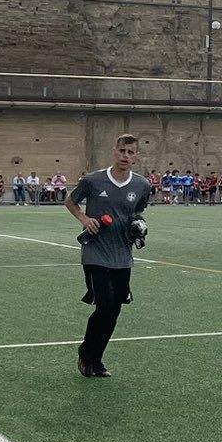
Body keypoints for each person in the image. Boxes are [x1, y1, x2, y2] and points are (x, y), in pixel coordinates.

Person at [66, 134, 152, 379]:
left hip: (123, 255)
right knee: (104, 305)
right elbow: (70, 202)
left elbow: (137, 212)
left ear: (136, 156)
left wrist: (139, 225)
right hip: (95, 252)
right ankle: (86, 354)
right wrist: (84, 219)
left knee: (114, 310)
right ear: (115, 151)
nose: (125, 155)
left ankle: (96, 359)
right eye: (122, 150)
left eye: (130, 152)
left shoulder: (142, 185)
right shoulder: (93, 180)